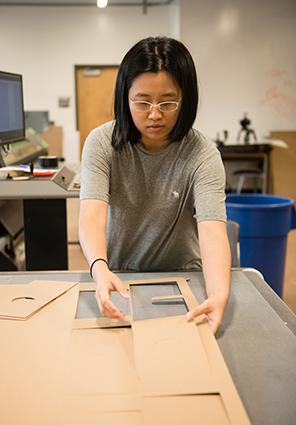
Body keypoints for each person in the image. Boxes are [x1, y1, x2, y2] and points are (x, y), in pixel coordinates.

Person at [78, 36, 231, 334]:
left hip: (184, 276)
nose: (155, 114)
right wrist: (99, 269)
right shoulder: (101, 144)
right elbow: (91, 216)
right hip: (119, 275)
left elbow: (212, 231)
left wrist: (219, 295)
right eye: (142, 101)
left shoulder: (203, 155)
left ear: (186, 99)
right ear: (126, 97)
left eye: (168, 102)